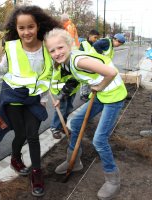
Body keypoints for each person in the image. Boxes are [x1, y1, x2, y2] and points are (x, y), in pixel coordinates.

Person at [44, 28, 127, 200]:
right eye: (52, 50)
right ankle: (74, 162)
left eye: (60, 48)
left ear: (69, 45)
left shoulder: (79, 60)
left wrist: (101, 86)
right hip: (101, 94)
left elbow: (111, 73)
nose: (56, 53)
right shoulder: (69, 62)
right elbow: (75, 79)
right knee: (75, 123)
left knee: (99, 139)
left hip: (113, 95)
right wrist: (62, 97)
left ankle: (113, 179)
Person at [0, 6, 61, 197]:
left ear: (38, 26)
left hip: (36, 101)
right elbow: (3, 69)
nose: (26, 32)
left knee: (33, 135)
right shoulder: (11, 46)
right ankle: (15, 158)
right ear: (16, 29)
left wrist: (50, 98)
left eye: (30, 27)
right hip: (13, 98)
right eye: (22, 28)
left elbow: (52, 75)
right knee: (20, 135)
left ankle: (36, 173)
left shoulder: (47, 47)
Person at [49, 13, 80, 139]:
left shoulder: (68, 30)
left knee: (68, 108)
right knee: (62, 108)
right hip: (61, 87)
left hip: (71, 87)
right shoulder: (58, 53)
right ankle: (55, 127)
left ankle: (62, 125)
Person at [79, 29, 100, 101]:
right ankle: (83, 95)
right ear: (90, 36)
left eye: (97, 38)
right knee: (84, 81)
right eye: (95, 37)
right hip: (85, 65)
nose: (96, 39)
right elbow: (80, 54)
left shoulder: (95, 44)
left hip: (92, 65)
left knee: (90, 80)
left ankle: (88, 94)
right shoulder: (84, 43)